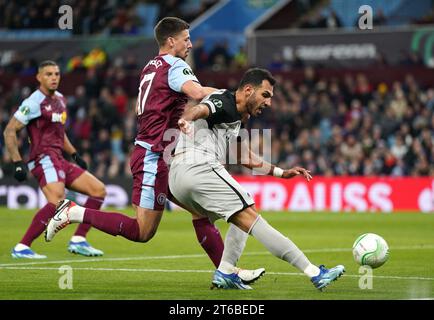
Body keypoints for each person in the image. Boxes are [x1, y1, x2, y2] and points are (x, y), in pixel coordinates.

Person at [45, 17, 264, 284]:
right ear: (171, 41)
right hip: (154, 155)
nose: (191, 45)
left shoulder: (150, 66)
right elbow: (197, 92)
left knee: (201, 212)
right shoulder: (175, 65)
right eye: (186, 39)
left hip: (162, 154)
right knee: (142, 231)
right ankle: (73, 212)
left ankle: (227, 272)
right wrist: (233, 97)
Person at [169, 68, 345, 290]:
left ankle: (225, 271)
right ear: (249, 90)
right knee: (251, 215)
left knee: (242, 212)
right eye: (266, 95)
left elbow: (244, 157)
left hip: (180, 178)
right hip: (197, 166)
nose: (269, 103)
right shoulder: (225, 100)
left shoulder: (239, 118)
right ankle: (314, 272)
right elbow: (201, 109)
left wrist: (281, 172)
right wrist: (186, 119)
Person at [3, 60, 106, 259]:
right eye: (49, 74)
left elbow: (60, 132)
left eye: (56, 74)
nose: (53, 78)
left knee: (98, 190)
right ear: (39, 77)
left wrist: (74, 154)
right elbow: (9, 130)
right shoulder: (33, 102)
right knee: (58, 201)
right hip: (43, 158)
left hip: (59, 158)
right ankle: (22, 247)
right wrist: (17, 162)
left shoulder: (60, 99)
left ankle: (78, 240)